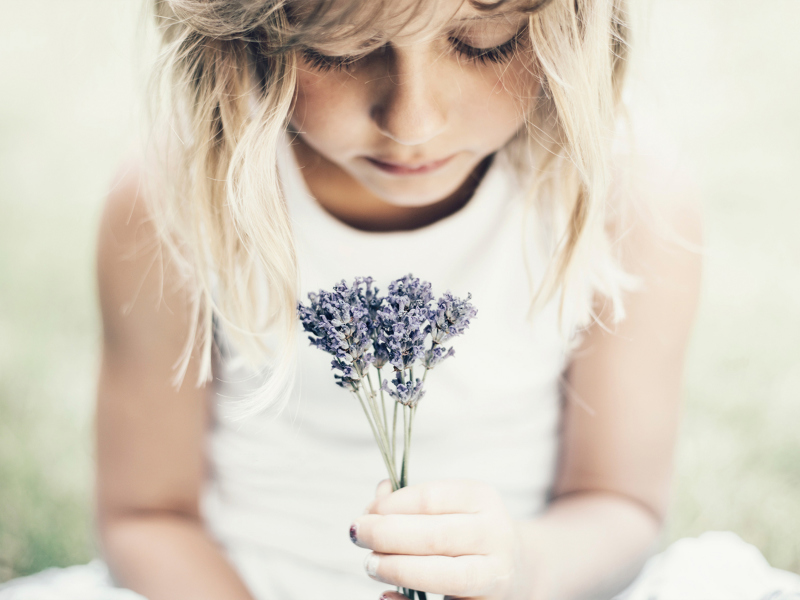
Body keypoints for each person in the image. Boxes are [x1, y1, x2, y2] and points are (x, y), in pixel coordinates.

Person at [1, 1, 798, 600]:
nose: (412, 122)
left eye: (484, 42)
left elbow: (619, 506)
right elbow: (147, 516)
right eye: (341, 51)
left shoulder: (628, 193)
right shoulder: (174, 194)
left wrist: (520, 565)